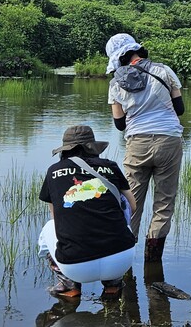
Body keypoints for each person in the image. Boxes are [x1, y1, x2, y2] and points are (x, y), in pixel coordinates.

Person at [105, 33, 185, 262]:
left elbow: (119, 124)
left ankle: (124, 259)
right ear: (137, 49)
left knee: (131, 203)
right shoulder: (164, 71)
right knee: (164, 202)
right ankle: (152, 262)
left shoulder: (115, 84)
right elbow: (179, 109)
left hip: (137, 143)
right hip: (169, 140)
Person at [38, 124, 137, 300]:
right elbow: (132, 206)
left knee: (49, 227)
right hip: (121, 260)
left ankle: (69, 285)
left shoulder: (53, 171)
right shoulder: (111, 166)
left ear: (65, 150)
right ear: (93, 148)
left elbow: (56, 217)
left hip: (75, 267)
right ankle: (113, 285)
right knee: (123, 226)